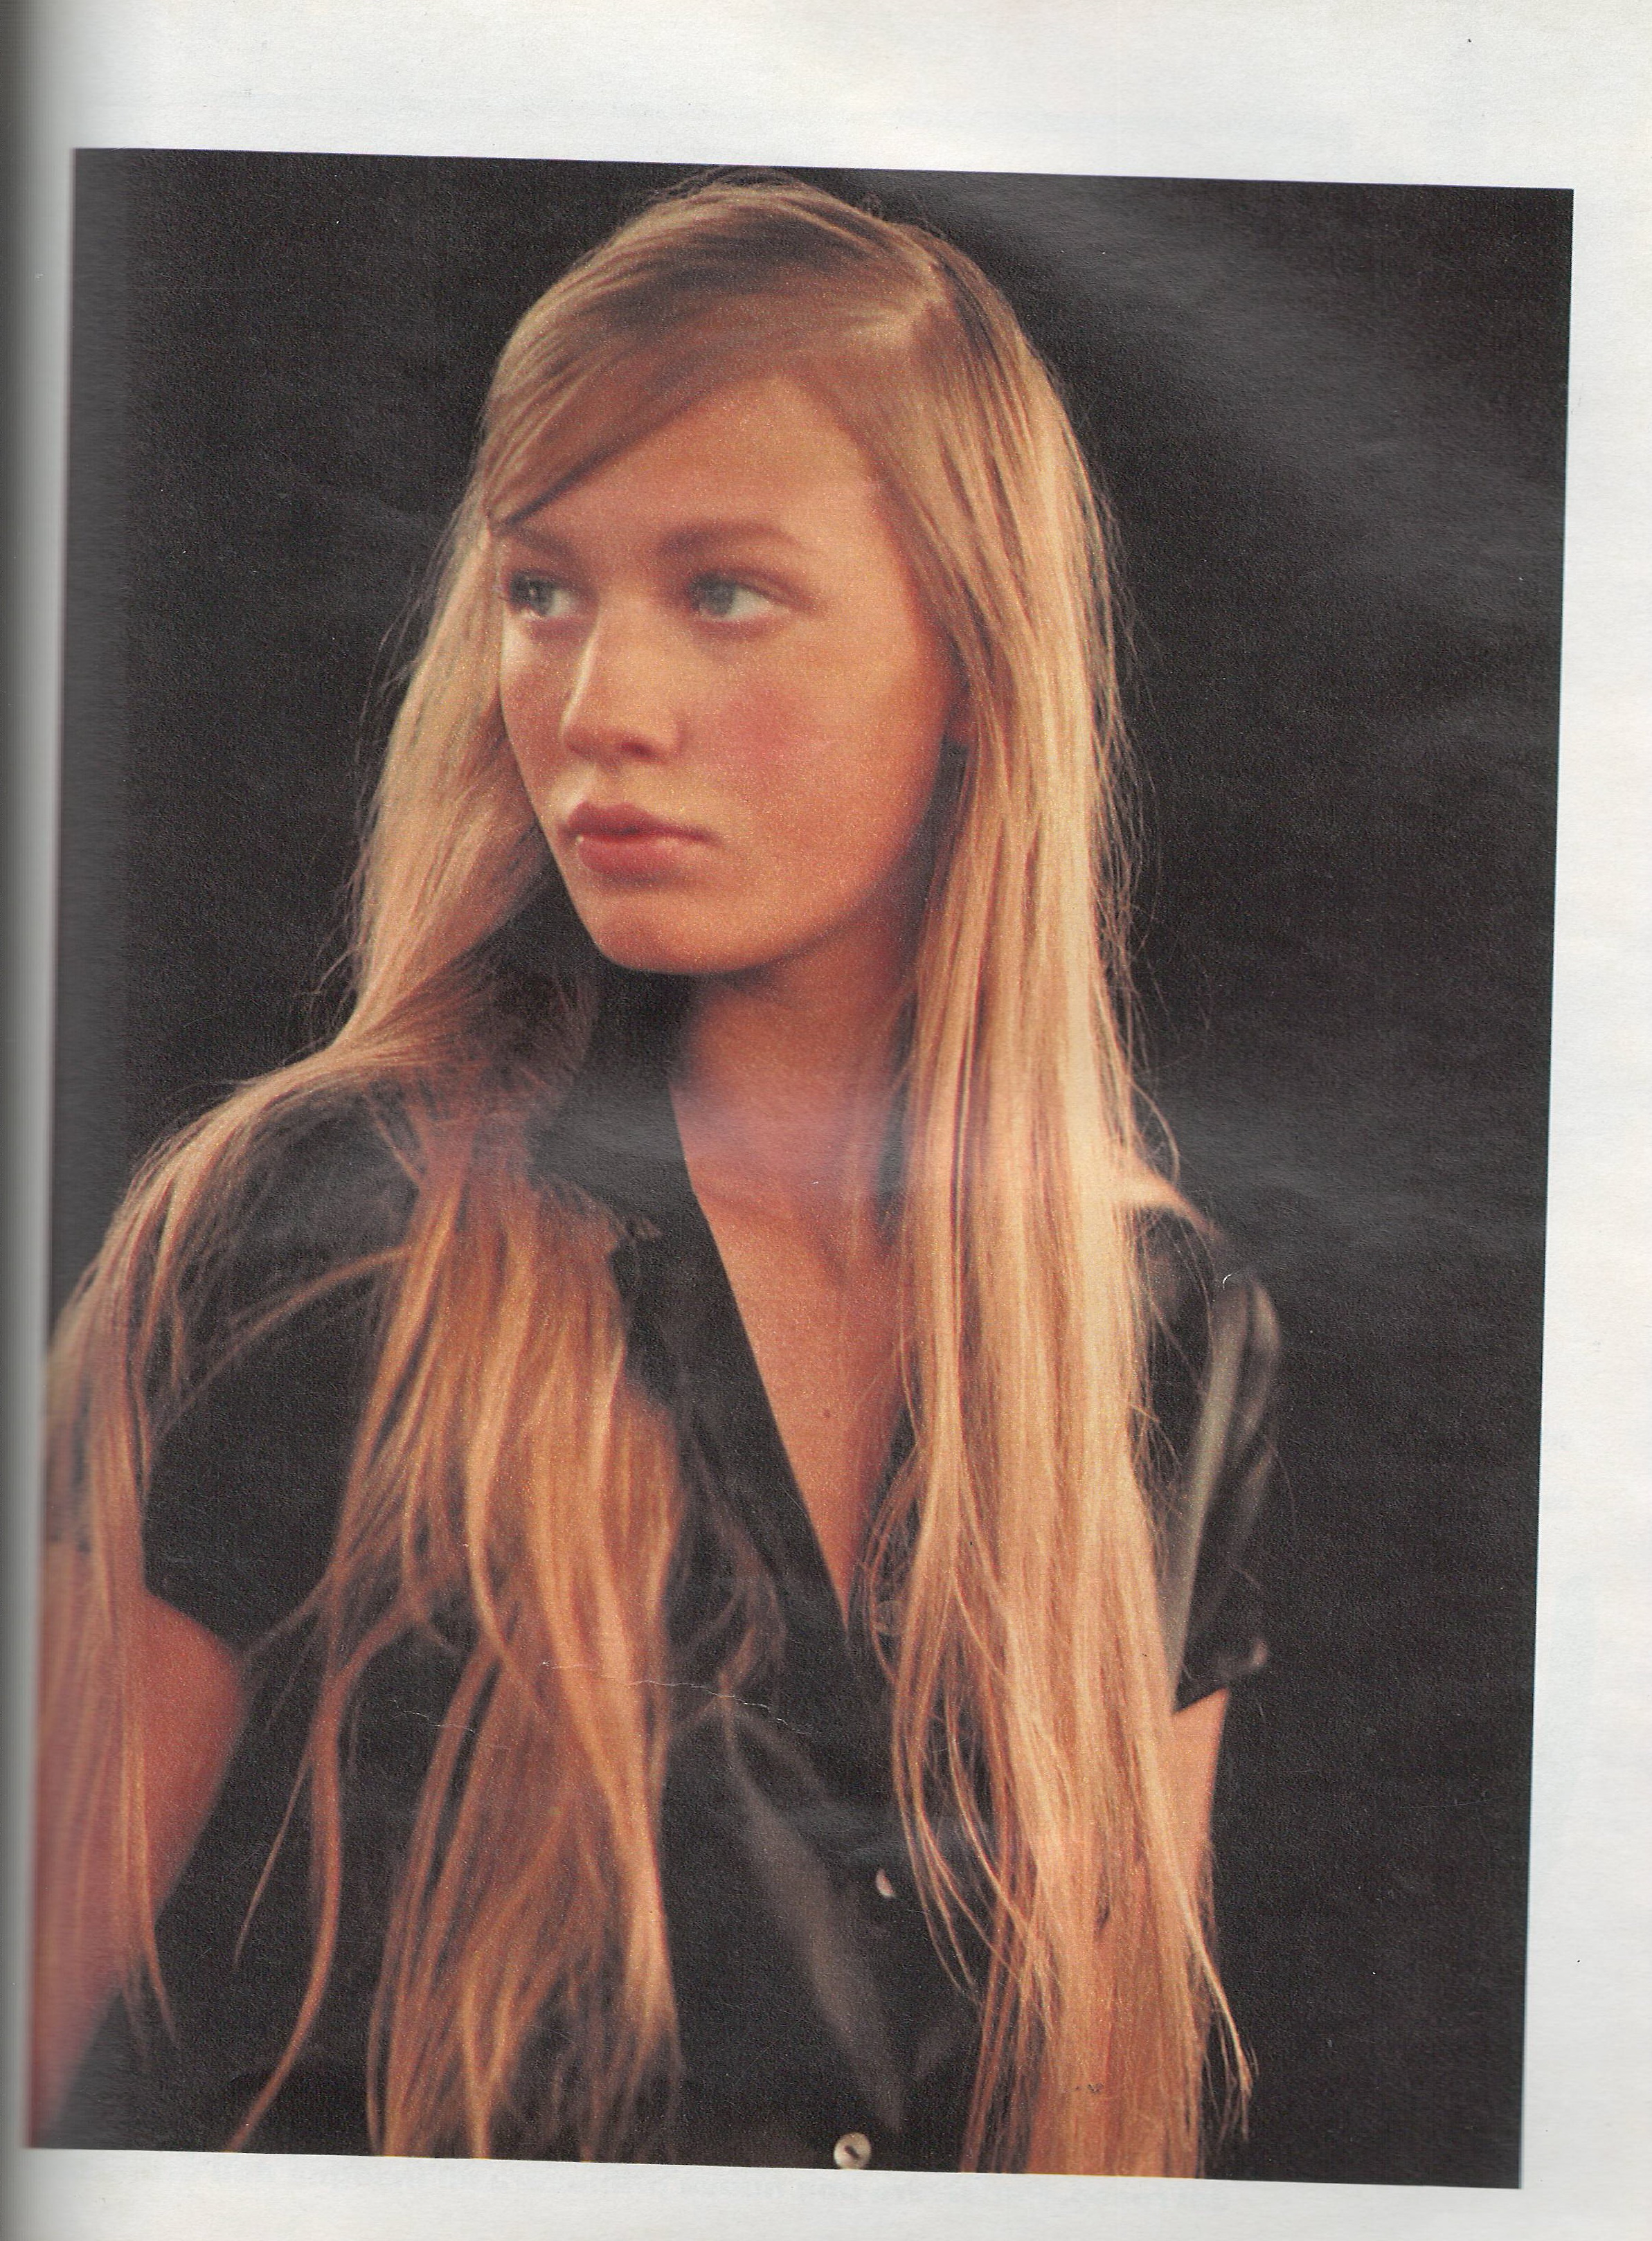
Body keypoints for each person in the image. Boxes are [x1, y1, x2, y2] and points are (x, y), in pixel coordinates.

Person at [32, 175, 1278, 2175]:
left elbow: (1109, 2152)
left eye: (723, 592)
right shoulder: (312, 1237)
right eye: (540, 591)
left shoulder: (1160, 1333)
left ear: (974, 656)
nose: (597, 706)